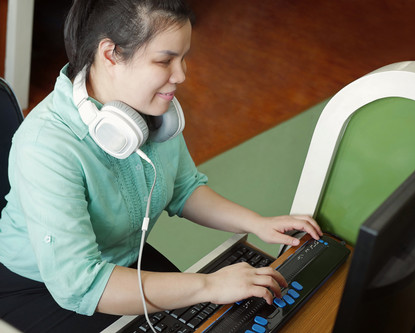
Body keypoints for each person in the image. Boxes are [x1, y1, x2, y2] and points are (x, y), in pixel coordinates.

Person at [0, 0, 322, 332]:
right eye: (165, 60)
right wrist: (209, 285)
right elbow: (80, 283)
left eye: (183, 58)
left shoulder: (150, 111)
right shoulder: (46, 146)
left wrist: (257, 223)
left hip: (123, 262)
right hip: (42, 287)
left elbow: (184, 187)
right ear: (110, 54)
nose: (181, 75)